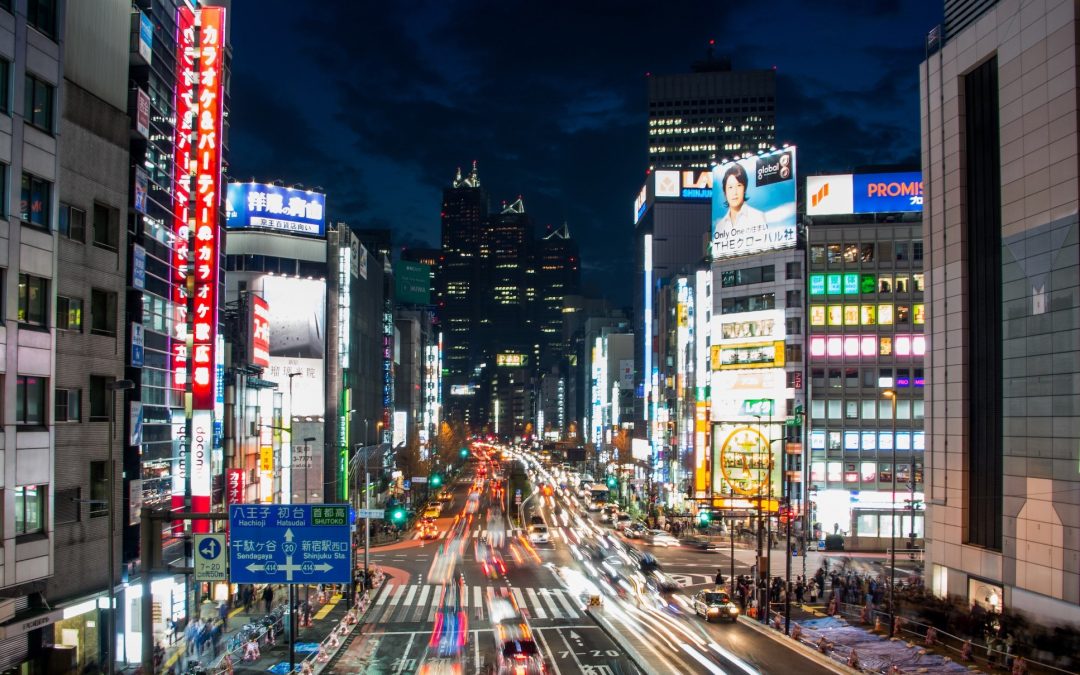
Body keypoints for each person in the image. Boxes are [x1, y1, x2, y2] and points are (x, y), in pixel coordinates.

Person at [714, 163, 767, 237]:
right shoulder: (720, 227)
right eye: (730, 187)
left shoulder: (757, 217)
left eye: (739, 185)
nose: (734, 192)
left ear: (744, 188)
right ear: (725, 192)